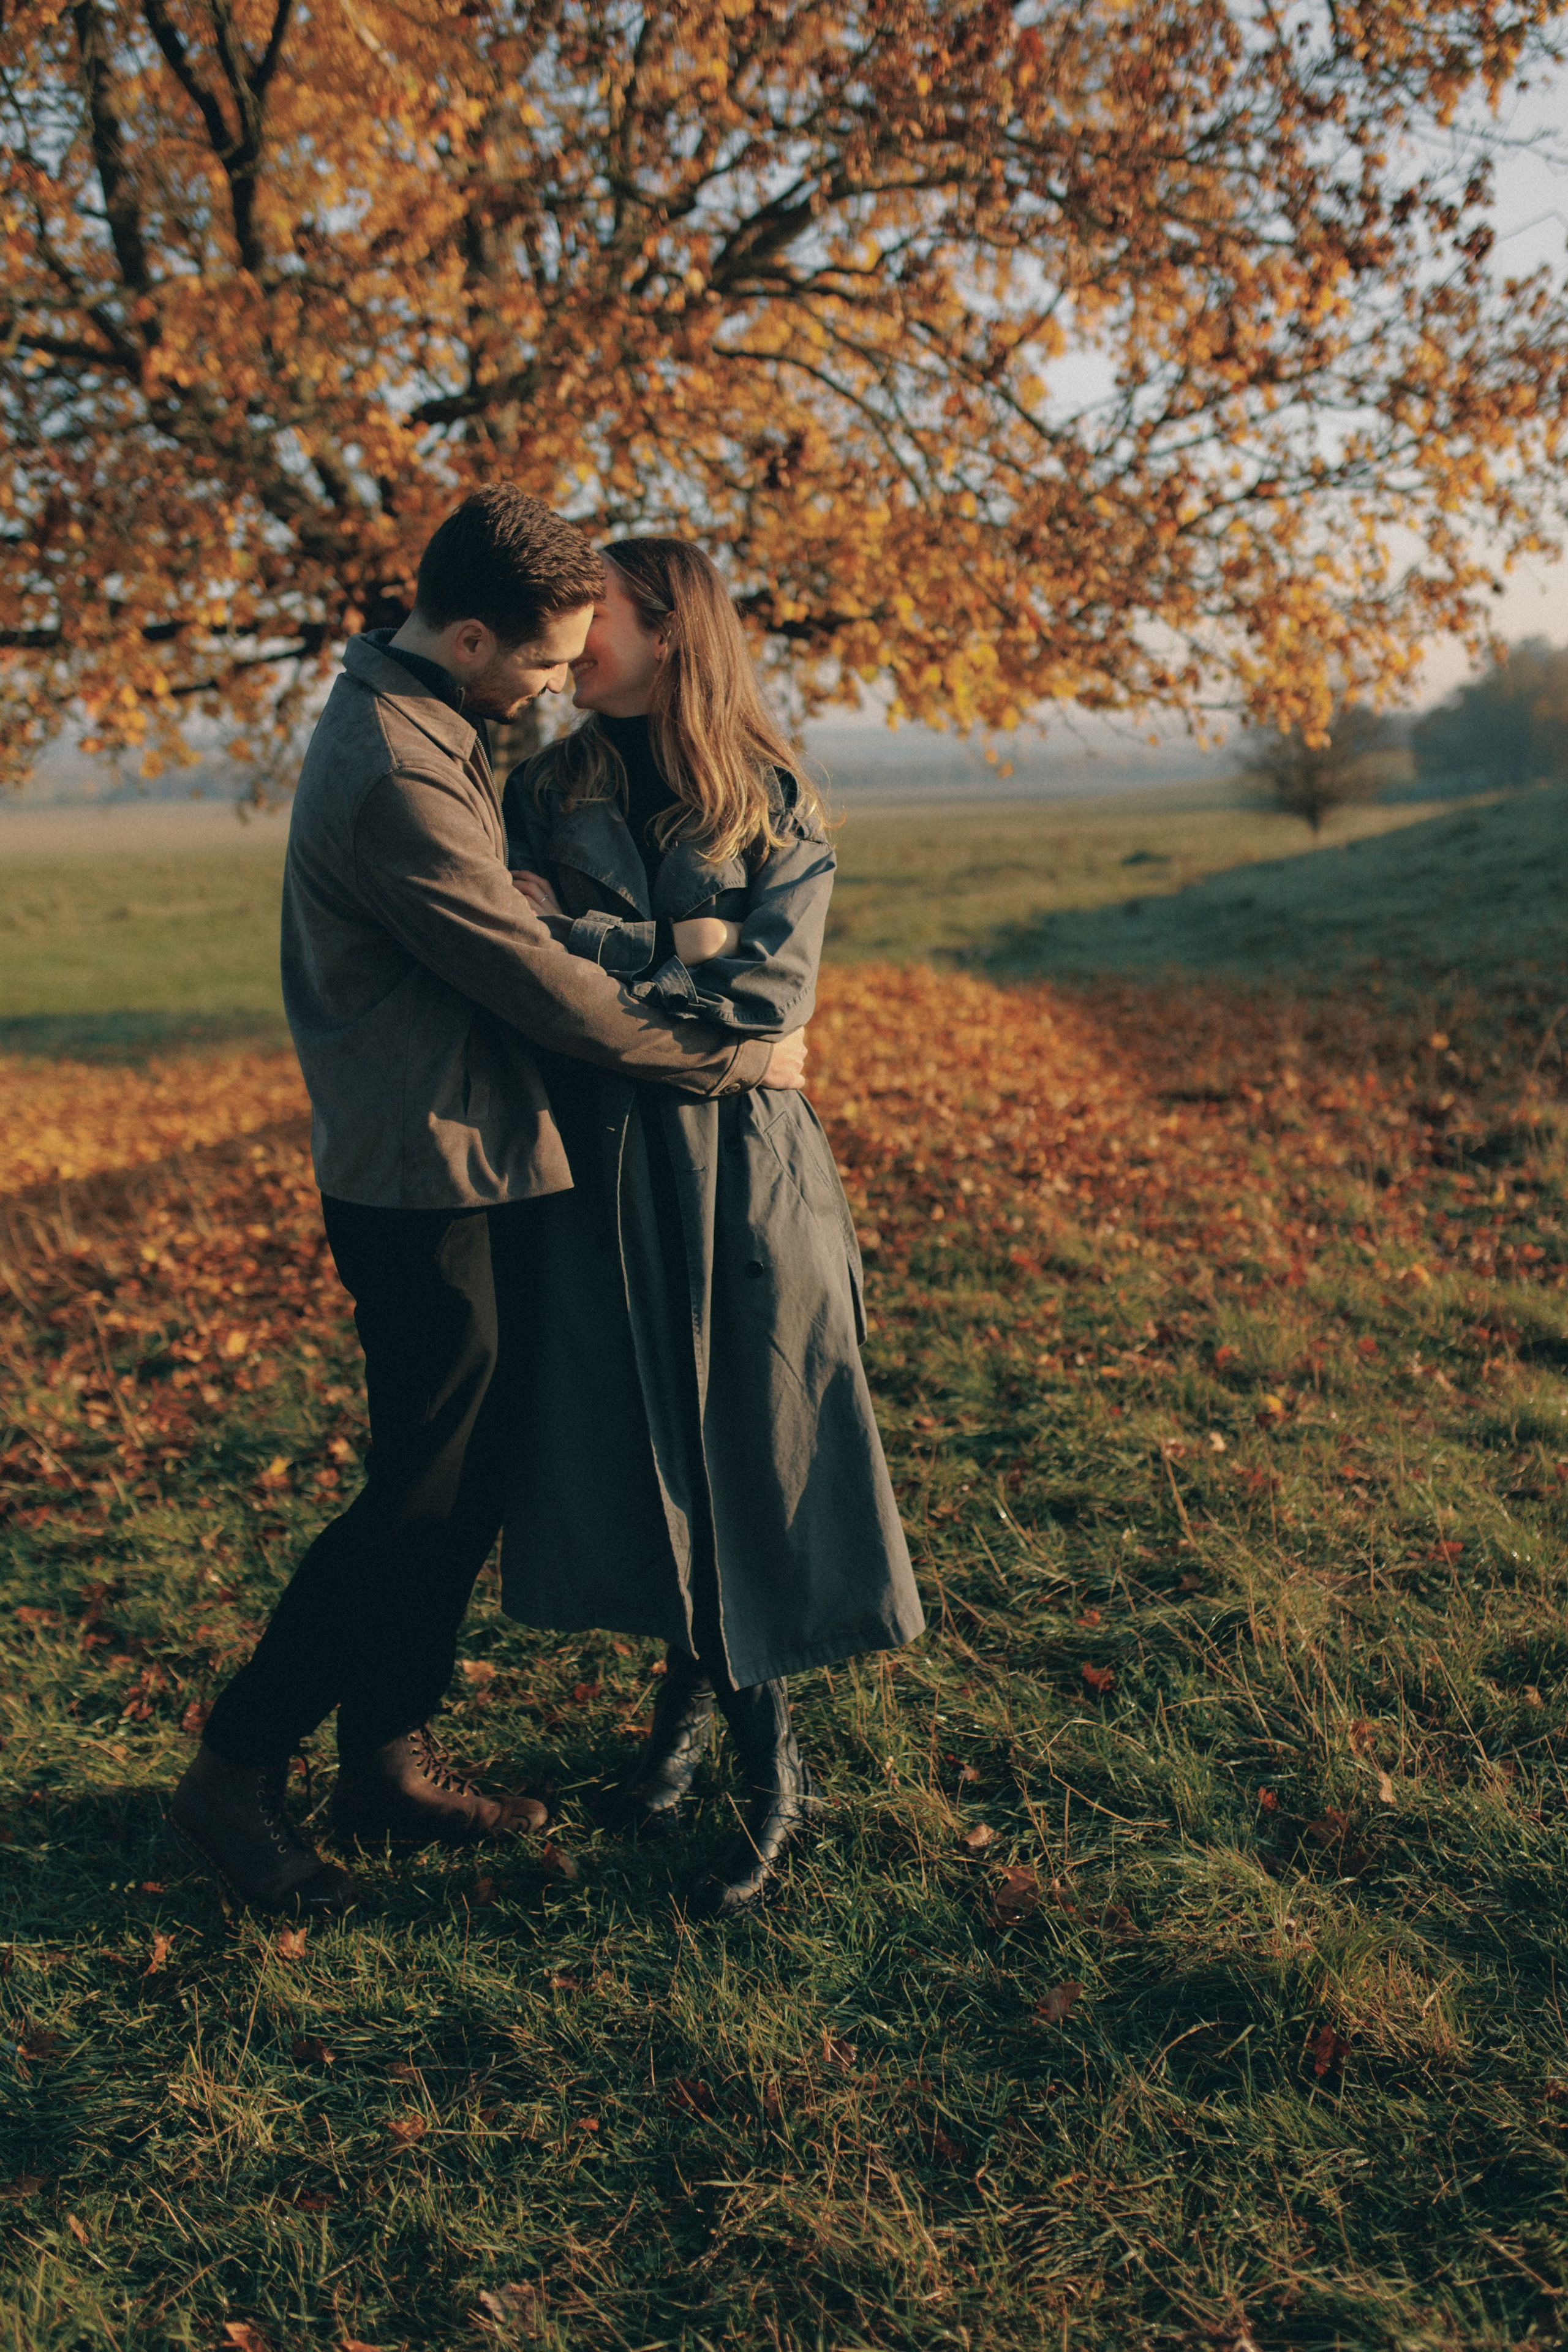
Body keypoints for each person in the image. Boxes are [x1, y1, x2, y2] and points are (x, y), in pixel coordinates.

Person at [170, 491, 807, 1917]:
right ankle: (236, 1764)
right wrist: (730, 1051)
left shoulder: (432, 721)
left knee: (466, 1484)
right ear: (468, 637)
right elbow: (536, 984)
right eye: (540, 661)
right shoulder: (398, 769)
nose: (555, 685)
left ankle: (383, 1752)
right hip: (423, 1179)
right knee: (418, 1492)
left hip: (477, 1157)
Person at [502, 538, 924, 1915]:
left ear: (669, 630)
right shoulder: (541, 788)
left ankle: (767, 1777)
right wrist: (671, 952)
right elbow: (520, 975)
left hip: (747, 1173)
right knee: (644, 1448)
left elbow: (766, 996)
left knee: (745, 1441)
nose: (571, 639)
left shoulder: (768, 793)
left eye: (598, 616)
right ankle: (682, 1718)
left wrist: (592, 937)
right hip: (601, 1175)